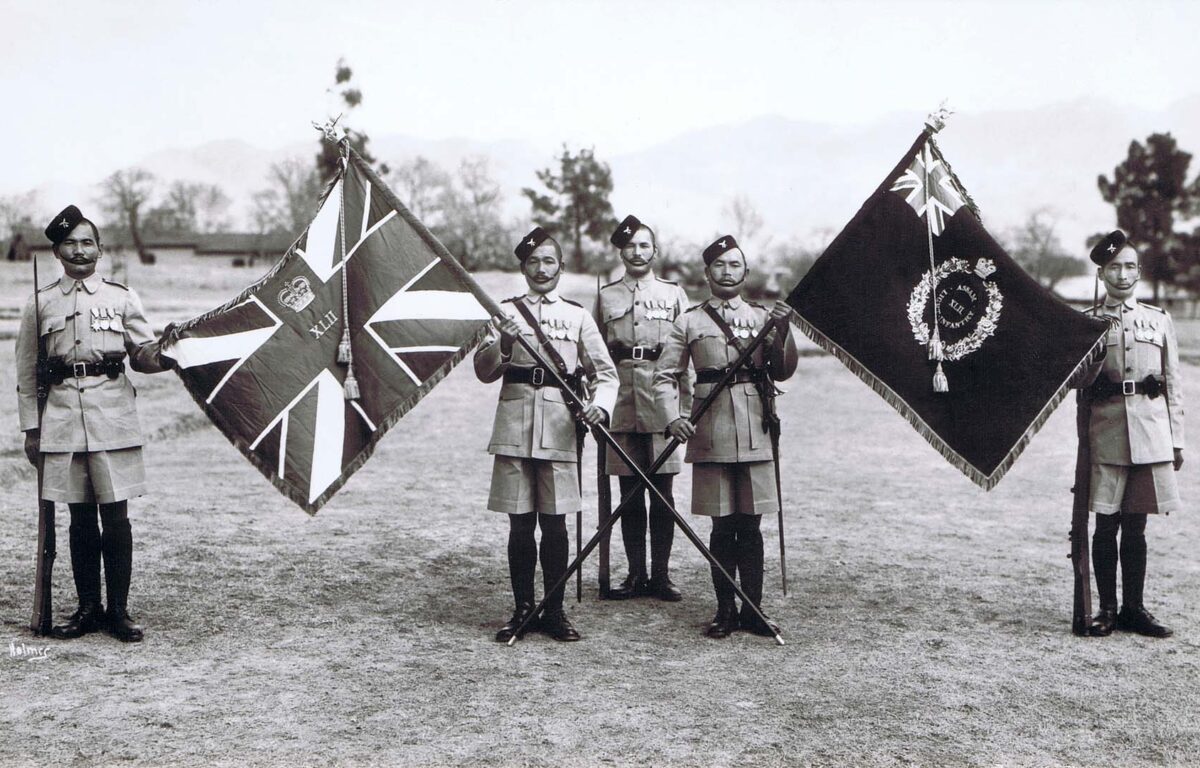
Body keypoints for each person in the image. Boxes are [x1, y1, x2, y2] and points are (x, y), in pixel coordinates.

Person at [15, 205, 174, 643]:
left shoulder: (122, 298)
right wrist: (31, 430)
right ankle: (88, 608)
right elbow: (27, 373)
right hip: (62, 420)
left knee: (116, 518)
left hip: (112, 419)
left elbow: (142, 355)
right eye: (70, 243)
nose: (79, 251)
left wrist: (169, 351)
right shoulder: (40, 302)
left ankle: (118, 612)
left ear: (100, 250)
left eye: (88, 243)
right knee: (80, 518)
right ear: (57, 252)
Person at [475, 227, 618, 642]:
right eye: (533, 261)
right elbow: (483, 371)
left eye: (549, 261)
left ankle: (554, 611)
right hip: (514, 426)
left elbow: (605, 373)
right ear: (523, 268)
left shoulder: (577, 316)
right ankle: (523, 609)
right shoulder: (504, 312)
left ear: (561, 267)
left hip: (560, 427)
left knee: (555, 525)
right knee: (520, 525)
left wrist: (600, 405)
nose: (541, 269)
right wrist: (504, 343)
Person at [653, 235, 798, 638]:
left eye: (735, 265)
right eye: (719, 265)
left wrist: (783, 330)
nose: (727, 272)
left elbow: (782, 370)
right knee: (721, 525)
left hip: (755, 428)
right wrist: (673, 418)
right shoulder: (689, 321)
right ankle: (725, 610)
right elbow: (664, 376)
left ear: (746, 273)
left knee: (750, 525)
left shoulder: (763, 316)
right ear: (707, 273)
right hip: (710, 429)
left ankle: (753, 609)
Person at [1075, 230, 1183, 638]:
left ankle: (1134, 609)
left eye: (1130, 267)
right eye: (1114, 267)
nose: (1123, 275)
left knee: (1137, 527)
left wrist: (1177, 439)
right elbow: (1078, 383)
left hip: (1151, 435)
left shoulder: (1158, 319)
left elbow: (1173, 383)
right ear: (1101, 274)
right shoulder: (1088, 321)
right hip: (1106, 433)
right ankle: (1106, 609)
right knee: (1106, 524)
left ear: (1139, 272)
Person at [594, 215, 693, 601]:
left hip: (662, 404)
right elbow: (596, 355)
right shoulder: (606, 296)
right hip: (621, 403)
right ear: (621, 252)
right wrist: (598, 403)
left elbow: (687, 356)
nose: (637, 252)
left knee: (663, 493)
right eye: (630, 246)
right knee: (629, 494)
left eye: (644, 245)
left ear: (655, 251)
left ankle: (661, 576)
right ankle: (636, 574)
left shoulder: (673, 294)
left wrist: (684, 410)